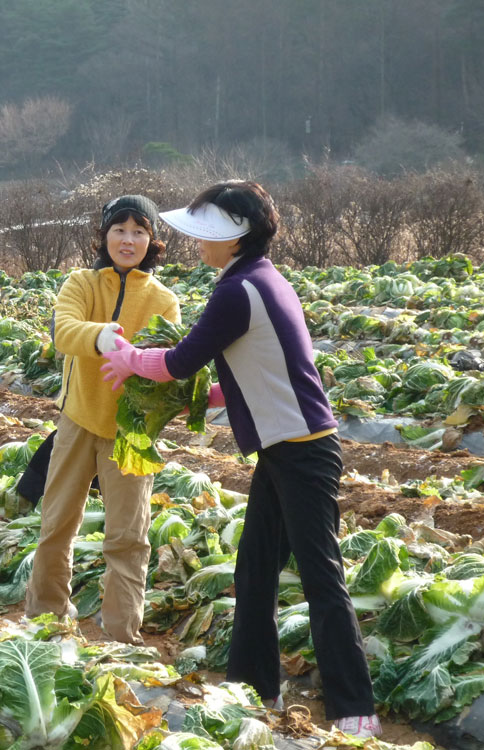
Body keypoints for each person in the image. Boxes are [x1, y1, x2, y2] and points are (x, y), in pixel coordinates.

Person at [100, 181, 380, 738]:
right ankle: (253, 688)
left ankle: (355, 711)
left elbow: (180, 361)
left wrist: (130, 358)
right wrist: (195, 398)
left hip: (303, 451)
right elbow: (252, 370)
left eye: (206, 233)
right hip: (284, 448)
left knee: (322, 577)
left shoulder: (239, 289)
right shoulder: (260, 279)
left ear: (235, 236)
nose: (198, 242)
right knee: (254, 570)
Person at [24, 195, 181, 645]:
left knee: (128, 537)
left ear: (152, 241)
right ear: (104, 235)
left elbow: (167, 362)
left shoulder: (163, 300)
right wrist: (103, 337)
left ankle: (121, 635)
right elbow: (63, 332)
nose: (128, 240)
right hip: (77, 419)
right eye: (119, 230)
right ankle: (46, 618)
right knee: (57, 523)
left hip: (132, 432)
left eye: (139, 232)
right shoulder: (82, 283)